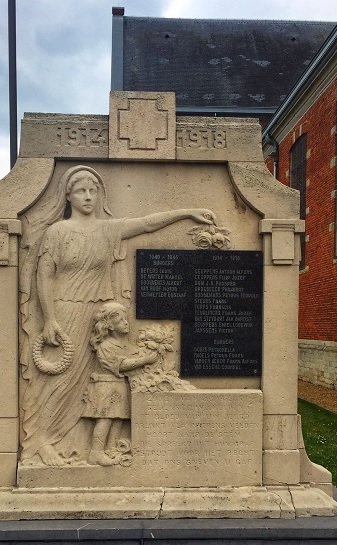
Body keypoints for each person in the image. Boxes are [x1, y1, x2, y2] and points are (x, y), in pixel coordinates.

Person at [19, 165, 214, 466]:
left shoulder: (108, 230)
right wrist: (49, 319)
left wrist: (187, 213)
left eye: (93, 191)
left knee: (90, 383)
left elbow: (147, 224)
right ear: (68, 195)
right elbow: (44, 276)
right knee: (59, 382)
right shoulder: (57, 233)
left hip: (97, 316)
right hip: (65, 312)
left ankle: (82, 444)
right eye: (81, 191)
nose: (88, 197)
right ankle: (43, 441)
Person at [82, 302, 158, 465]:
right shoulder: (106, 346)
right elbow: (121, 365)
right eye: (121, 320)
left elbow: (132, 353)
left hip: (119, 386)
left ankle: (111, 448)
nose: (126, 322)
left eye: (126, 319)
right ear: (109, 325)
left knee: (118, 418)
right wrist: (144, 360)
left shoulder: (123, 344)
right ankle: (96, 452)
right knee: (105, 419)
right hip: (106, 387)